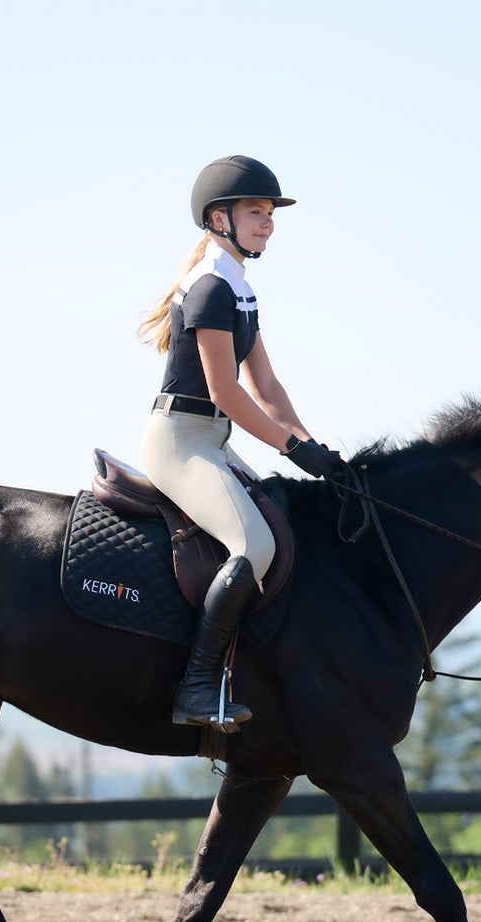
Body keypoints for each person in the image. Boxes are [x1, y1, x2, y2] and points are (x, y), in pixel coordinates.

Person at [138, 154, 342, 732]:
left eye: (271, 213)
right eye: (256, 211)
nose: (268, 222)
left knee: (283, 522)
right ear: (218, 218)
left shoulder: (239, 289)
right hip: (180, 439)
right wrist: (288, 447)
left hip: (213, 439)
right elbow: (226, 392)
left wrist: (312, 446)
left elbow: (267, 385)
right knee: (253, 544)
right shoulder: (207, 289)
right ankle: (197, 687)